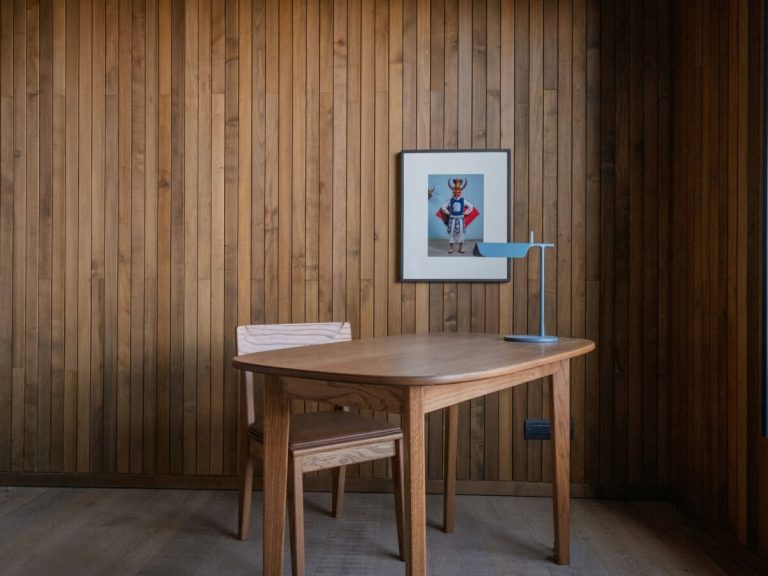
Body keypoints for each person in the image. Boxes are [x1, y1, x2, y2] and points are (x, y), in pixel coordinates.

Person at [440, 178, 474, 254]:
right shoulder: (450, 200)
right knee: (452, 233)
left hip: (460, 220)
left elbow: (471, 206)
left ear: (460, 193)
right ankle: (451, 248)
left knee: (461, 233)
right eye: (455, 192)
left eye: (458, 192)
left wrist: (465, 213)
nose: (457, 193)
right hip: (452, 220)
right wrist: (448, 213)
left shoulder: (463, 200)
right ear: (453, 192)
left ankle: (461, 248)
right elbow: (443, 207)